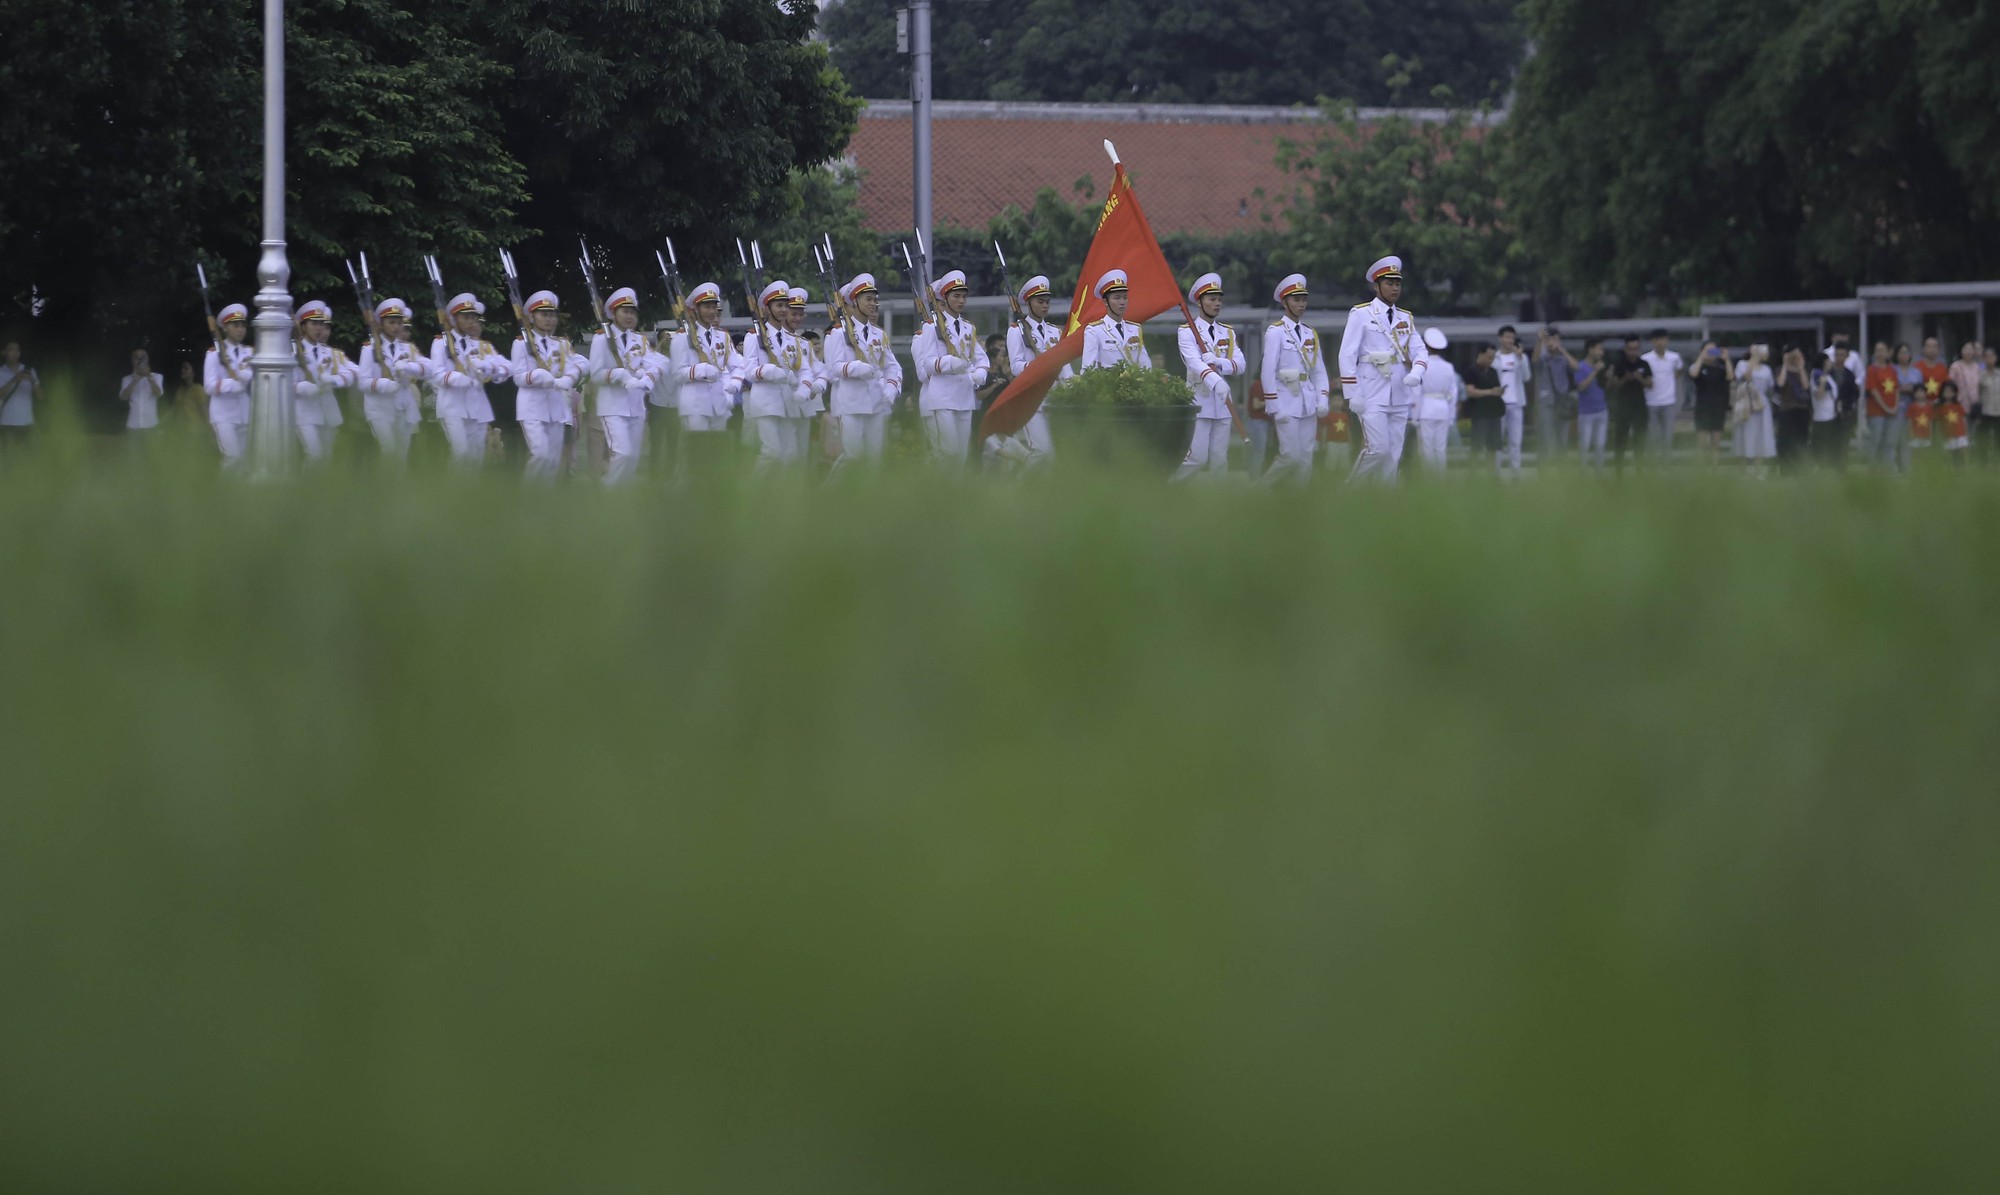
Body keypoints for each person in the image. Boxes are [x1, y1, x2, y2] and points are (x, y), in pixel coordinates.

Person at [1339, 255, 1429, 483]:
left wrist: (1417, 372)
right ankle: (1350, 492)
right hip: (1370, 391)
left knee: (1393, 454)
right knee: (1377, 449)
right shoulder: (1361, 314)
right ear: (1376, 286)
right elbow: (1347, 354)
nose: (1395, 288)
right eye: (1389, 283)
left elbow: (1420, 350)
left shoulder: (1405, 317)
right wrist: (1352, 393)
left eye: (1397, 283)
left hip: (1399, 391)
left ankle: (1386, 503)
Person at [821, 274, 899, 479]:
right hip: (851, 404)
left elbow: (892, 366)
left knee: (874, 459)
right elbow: (833, 369)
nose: (873, 304)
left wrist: (891, 387)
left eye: (875, 299)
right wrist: (856, 368)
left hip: (877, 403)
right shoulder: (839, 333)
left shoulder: (879, 334)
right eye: (868, 299)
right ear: (854, 301)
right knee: (853, 457)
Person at [1172, 272, 1246, 482]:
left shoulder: (1227, 332)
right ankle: (1169, 487)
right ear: (1200, 302)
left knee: (1220, 459)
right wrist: (1216, 381)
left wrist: (1219, 362)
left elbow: (1240, 365)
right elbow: (1194, 363)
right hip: (1200, 399)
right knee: (1197, 458)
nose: (1217, 304)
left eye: (1219, 299)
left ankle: (1218, 506)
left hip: (1222, 403)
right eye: (1212, 299)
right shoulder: (1187, 331)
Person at [912, 269, 990, 469]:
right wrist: (950, 363)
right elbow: (928, 363)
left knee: (961, 455)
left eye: (964, 296)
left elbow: (981, 358)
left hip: (964, 395)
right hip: (943, 397)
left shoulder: (968, 328)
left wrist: (980, 372)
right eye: (956, 296)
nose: (961, 300)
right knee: (948, 452)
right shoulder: (931, 327)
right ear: (945, 298)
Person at [1258, 273, 1330, 485]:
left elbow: (1319, 371)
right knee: (1291, 456)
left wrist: (1323, 398)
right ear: (1285, 302)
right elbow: (1267, 371)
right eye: (1296, 299)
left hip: (1308, 401)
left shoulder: (1310, 333)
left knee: (1306, 458)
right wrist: (1274, 405)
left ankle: (1300, 502)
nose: (1301, 304)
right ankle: (1260, 489)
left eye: (1303, 299)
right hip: (1285, 400)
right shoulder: (1275, 332)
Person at [587, 285, 661, 484]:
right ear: (613, 313)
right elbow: (595, 374)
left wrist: (646, 377)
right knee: (623, 454)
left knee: (633, 458)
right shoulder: (602, 338)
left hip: (636, 405)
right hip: (612, 406)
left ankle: (623, 501)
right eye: (625, 311)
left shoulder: (640, 340)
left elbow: (654, 365)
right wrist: (620, 375)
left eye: (632, 312)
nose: (629, 316)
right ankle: (607, 495)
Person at [672, 282, 744, 478]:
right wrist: (700, 369)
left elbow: (737, 365)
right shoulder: (682, 337)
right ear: (696, 309)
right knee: (694, 456)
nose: (712, 311)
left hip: (719, 403)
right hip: (695, 403)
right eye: (707, 307)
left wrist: (735, 384)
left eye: (714, 307)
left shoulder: (723, 337)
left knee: (716, 455)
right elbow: (677, 374)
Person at [510, 290, 584, 481]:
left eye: (552, 315)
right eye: (544, 315)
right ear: (532, 317)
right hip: (532, 407)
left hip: (557, 406)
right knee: (541, 455)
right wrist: (537, 375)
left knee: (552, 460)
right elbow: (518, 377)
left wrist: (570, 378)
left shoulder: (561, 344)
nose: (550, 319)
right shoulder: (521, 343)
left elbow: (574, 366)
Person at [429, 293, 508, 470]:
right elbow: (438, 374)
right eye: (466, 317)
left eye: (473, 317)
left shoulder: (480, 345)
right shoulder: (441, 343)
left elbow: (506, 368)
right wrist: (462, 379)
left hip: (477, 406)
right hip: (452, 406)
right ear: (454, 319)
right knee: (461, 453)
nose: (471, 321)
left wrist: (491, 369)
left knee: (476, 455)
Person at [1000, 274, 1066, 472]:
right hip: (1031, 400)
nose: (1045, 305)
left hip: (1055, 398)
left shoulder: (1055, 332)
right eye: (1040, 301)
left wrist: (1070, 383)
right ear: (1029, 302)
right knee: (1041, 451)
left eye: (1047, 301)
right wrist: (1039, 365)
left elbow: (1064, 365)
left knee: (1054, 455)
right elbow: (1016, 366)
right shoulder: (1017, 330)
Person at [356, 298, 426, 466]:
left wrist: (409, 367)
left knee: (402, 452)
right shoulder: (369, 349)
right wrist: (385, 384)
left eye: (399, 323)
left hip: (403, 405)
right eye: (391, 322)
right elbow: (363, 382)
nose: (396, 327)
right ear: (381, 324)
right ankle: (384, 488)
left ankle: (398, 489)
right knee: (389, 450)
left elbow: (428, 368)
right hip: (379, 408)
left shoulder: (408, 349)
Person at [293, 300, 355, 463]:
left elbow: (349, 375)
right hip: (305, 412)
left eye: (321, 323)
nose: (319, 328)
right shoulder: (293, 352)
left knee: (326, 458)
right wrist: (305, 387)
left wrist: (333, 380)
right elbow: (286, 384)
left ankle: (319, 488)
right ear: (303, 326)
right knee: (314, 454)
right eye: (314, 323)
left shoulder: (330, 353)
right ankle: (307, 488)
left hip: (328, 411)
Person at [203, 304, 254, 469]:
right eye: (235, 325)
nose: (240, 330)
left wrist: (250, 375)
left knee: (245, 459)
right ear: (225, 328)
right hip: (223, 414)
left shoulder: (250, 353)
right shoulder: (214, 354)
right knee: (232, 458)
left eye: (242, 325)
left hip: (244, 411)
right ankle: (223, 493)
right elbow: (209, 386)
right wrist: (233, 385)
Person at [787, 287, 828, 467]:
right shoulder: (772, 340)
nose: (797, 318)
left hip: (804, 407)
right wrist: (802, 384)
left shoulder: (803, 343)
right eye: (793, 313)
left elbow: (820, 371)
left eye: (800, 314)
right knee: (783, 456)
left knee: (802, 457)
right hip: (784, 404)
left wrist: (815, 387)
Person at [1412, 326, 1460, 473]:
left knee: (1427, 448)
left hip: (1426, 409)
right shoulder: (1448, 367)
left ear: (1425, 345)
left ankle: (1429, 481)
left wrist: (1415, 416)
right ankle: (1440, 480)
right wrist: (1451, 415)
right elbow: (1453, 392)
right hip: (1443, 409)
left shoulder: (1421, 365)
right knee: (1440, 448)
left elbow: (1416, 392)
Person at [1605, 335, 1652, 472]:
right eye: (1630, 349)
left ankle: (1639, 469)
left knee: (1639, 439)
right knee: (1621, 440)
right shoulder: (1619, 364)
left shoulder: (1643, 364)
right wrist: (1625, 378)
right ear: (1626, 349)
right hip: (1623, 406)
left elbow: (1650, 384)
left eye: (1635, 349)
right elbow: (1613, 385)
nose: (1633, 352)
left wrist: (1639, 379)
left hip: (1639, 406)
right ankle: (1618, 471)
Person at [1531, 326, 1575, 464]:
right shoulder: (1543, 358)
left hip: (1562, 403)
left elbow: (1576, 367)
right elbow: (1534, 360)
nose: (1552, 342)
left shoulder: (1563, 358)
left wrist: (1561, 350)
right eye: (1549, 339)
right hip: (1546, 402)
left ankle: (1561, 471)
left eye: (1555, 339)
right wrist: (1539, 341)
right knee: (1545, 437)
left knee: (1562, 439)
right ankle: (1543, 472)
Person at [1641, 328, 1683, 460]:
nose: (1660, 342)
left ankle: (1666, 463)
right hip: (1651, 402)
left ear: (1667, 341)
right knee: (1652, 436)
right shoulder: (1645, 358)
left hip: (1668, 402)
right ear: (1653, 341)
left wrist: (1671, 379)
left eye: (1662, 339)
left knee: (1667, 435)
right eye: (1657, 340)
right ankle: (1653, 464)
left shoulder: (1674, 357)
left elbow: (1680, 369)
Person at [1733, 343, 1775, 476]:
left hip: (1761, 403)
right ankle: (1742, 471)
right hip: (1746, 401)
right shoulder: (1742, 364)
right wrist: (1753, 360)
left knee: (1760, 435)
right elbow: (1745, 377)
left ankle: (1758, 471)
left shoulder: (1767, 369)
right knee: (1744, 434)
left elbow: (1770, 386)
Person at [1770, 344, 1812, 472]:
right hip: (1786, 409)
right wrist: (1785, 364)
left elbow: (1806, 386)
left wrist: (1800, 367)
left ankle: (1799, 467)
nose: (1796, 357)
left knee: (1801, 440)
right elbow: (1780, 384)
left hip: (1801, 410)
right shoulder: (1780, 370)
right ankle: (1785, 468)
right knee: (1785, 440)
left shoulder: (1802, 370)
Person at [1491, 324, 1526, 476]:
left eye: (1512, 338)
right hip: (1499, 404)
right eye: (1507, 337)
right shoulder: (1494, 357)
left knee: (1515, 442)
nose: (1510, 341)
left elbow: (1527, 377)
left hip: (1516, 403)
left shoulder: (1520, 357)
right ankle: (1496, 474)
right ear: (1500, 338)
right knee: (1497, 441)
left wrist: (1520, 358)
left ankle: (1515, 474)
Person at [1462, 342, 1504, 467]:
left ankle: (1492, 476)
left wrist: (1498, 392)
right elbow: (1470, 391)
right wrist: (1490, 392)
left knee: (1493, 447)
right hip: (1480, 413)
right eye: (1489, 357)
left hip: (1494, 412)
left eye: (1493, 358)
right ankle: (1473, 474)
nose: (1491, 360)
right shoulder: (1471, 371)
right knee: (1477, 446)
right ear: (1481, 354)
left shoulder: (1493, 371)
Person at [1689, 341, 1732, 463]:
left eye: (1714, 351)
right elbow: (1693, 374)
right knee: (1702, 443)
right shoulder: (1697, 366)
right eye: (1708, 350)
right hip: (1702, 408)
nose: (1711, 354)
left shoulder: (1720, 367)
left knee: (1715, 444)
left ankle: (1714, 470)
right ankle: (1701, 470)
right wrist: (1701, 357)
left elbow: (1730, 377)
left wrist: (1727, 359)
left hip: (1718, 408)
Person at [1861, 342, 1900, 469]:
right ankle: (1873, 469)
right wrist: (1886, 408)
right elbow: (1873, 390)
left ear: (1888, 352)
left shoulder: (1892, 370)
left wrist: (1895, 407)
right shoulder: (1872, 370)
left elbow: (1896, 389)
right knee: (1875, 440)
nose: (1880, 353)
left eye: (1882, 350)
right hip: (1876, 411)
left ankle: (1887, 469)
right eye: (1877, 350)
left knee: (1889, 442)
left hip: (1892, 412)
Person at [0, 340, 43, 451]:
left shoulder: (30, 371)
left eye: (17, 350)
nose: (15, 353)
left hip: (27, 423)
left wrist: (33, 381)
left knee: (27, 458)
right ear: (3, 352)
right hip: (6, 423)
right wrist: (14, 380)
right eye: (11, 350)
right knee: (8, 458)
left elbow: (41, 397)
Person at [119, 348, 166, 443]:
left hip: (151, 425)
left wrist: (149, 377)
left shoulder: (157, 377)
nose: (139, 360)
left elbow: (158, 394)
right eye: (136, 357)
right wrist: (135, 380)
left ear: (147, 359)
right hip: (133, 426)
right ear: (132, 361)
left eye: (142, 357)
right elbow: (123, 397)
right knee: (133, 457)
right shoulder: (127, 379)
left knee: (153, 457)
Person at [1574, 339, 1609, 469]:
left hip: (1602, 410)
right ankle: (1583, 475)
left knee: (1600, 445)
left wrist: (1609, 376)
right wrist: (1594, 372)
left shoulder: (1601, 366)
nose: (1601, 352)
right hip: (1586, 412)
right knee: (1585, 446)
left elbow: (1605, 387)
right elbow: (1581, 387)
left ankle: (1599, 473)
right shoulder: (1581, 366)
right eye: (1599, 349)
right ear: (1590, 349)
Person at [1892, 342, 1923, 473]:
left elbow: (1920, 390)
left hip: (1912, 408)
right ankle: (1894, 465)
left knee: (1908, 438)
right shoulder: (1892, 370)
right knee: (1895, 438)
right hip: (1896, 407)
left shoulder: (1916, 372)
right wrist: (1901, 389)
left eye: (1906, 352)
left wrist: (1911, 389)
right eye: (1901, 352)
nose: (1904, 355)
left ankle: (1906, 467)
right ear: (1896, 354)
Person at [1948, 341, 1983, 429]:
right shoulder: (1955, 366)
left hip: (1974, 407)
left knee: (1974, 435)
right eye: (1966, 349)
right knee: (1961, 433)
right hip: (1959, 405)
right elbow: (1950, 386)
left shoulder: (1977, 367)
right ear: (1961, 351)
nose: (1968, 352)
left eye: (1971, 349)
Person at [1937, 381, 1970, 467]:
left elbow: (1963, 419)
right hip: (1948, 435)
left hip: (1960, 433)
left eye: (1951, 391)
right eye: (1946, 391)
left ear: (1955, 393)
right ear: (1942, 392)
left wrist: (1966, 433)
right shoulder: (1940, 408)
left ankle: (1966, 470)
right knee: (1949, 455)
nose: (1949, 393)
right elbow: (1939, 422)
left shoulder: (1958, 405)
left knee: (1963, 453)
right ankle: (1950, 470)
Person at [1978, 345, 2000, 461]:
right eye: (1987, 357)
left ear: (1995, 358)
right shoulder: (1979, 375)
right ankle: (1983, 461)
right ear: (1983, 359)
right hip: (1985, 411)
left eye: (1992, 356)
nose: (1989, 359)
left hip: (1998, 412)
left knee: (1998, 439)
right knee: (1984, 438)